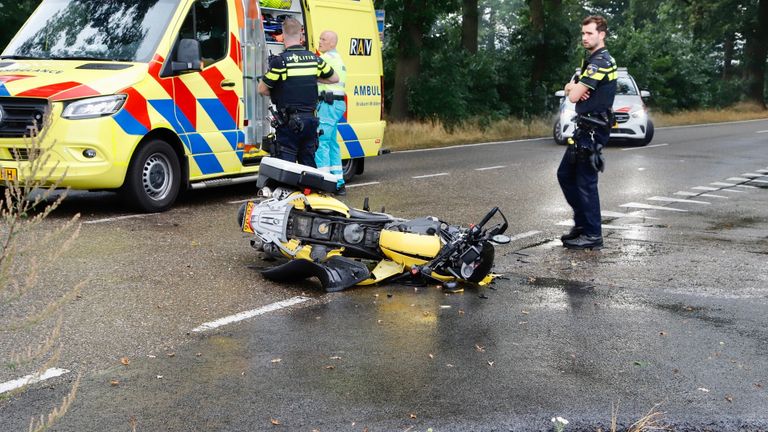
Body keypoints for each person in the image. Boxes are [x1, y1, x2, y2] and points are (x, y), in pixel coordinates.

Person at [557, 15, 617, 250]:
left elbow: (572, 96)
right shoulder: (592, 60)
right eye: (583, 33)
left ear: (601, 34)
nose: (585, 37)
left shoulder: (600, 62)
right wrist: (574, 87)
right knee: (565, 175)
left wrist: (572, 88)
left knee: (586, 183)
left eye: (589, 33)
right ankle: (582, 225)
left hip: (593, 130)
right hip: (585, 128)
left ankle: (592, 233)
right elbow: (574, 89)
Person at [258, 17, 338, 166]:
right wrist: (313, 78)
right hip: (310, 122)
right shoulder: (314, 59)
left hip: (288, 123)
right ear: (301, 35)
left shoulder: (280, 62)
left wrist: (279, 91)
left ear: (283, 35)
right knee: (308, 165)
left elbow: (262, 89)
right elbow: (334, 78)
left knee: (287, 167)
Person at [315, 30, 348, 196]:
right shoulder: (338, 58)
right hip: (336, 104)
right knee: (332, 143)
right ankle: (338, 182)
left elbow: (312, 75)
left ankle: (324, 183)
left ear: (332, 43)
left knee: (321, 142)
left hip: (328, 104)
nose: (319, 41)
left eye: (323, 39)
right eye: (320, 38)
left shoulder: (326, 58)